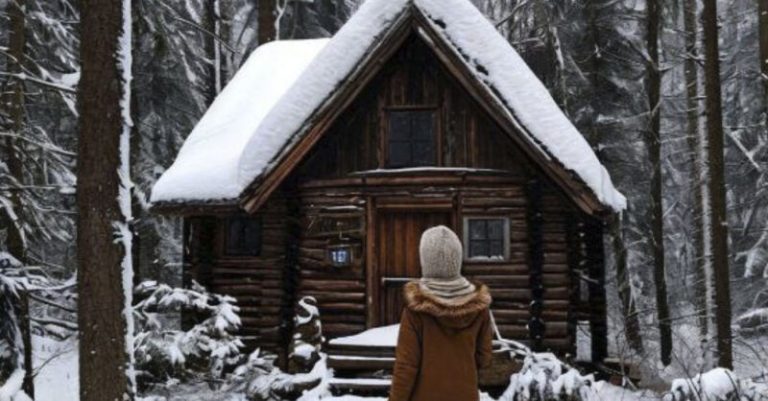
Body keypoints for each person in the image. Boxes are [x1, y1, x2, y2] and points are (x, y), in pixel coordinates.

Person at [389, 225, 493, 401]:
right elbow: (483, 358)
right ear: (457, 259)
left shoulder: (416, 311)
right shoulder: (479, 309)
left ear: (425, 261)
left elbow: (406, 367)